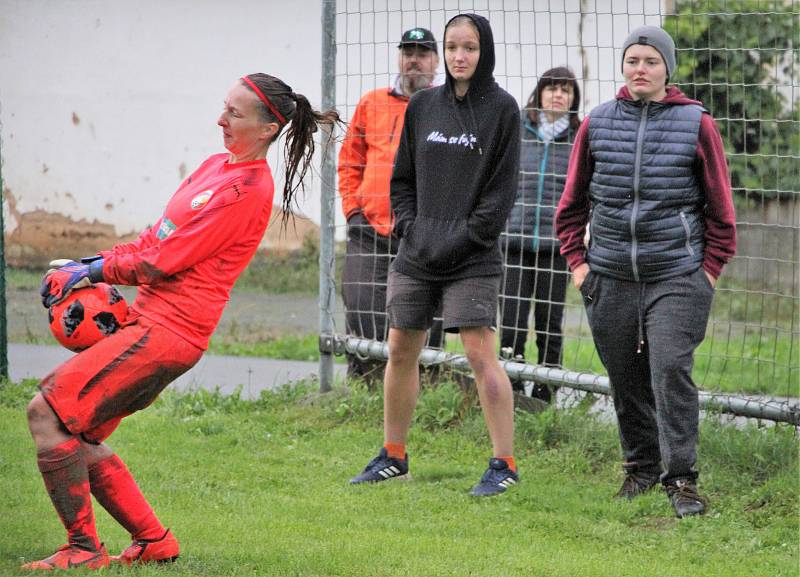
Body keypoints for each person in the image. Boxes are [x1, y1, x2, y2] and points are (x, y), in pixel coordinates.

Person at [25, 74, 340, 570]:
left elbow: (163, 261)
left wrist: (94, 271)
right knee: (79, 434)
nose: (220, 119)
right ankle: (154, 542)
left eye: (235, 114)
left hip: (168, 333)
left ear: (266, 129)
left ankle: (84, 550)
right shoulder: (217, 166)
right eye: (224, 107)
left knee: (48, 413)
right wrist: (84, 263)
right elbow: (154, 237)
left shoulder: (249, 191)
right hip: (145, 319)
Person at [555, 26, 736, 518]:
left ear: (667, 69)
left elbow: (721, 213)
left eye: (651, 61)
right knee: (625, 376)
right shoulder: (597, 122)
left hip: (677, 274)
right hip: (609, 276)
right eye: (633, 59)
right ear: (623, 67)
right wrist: (580, 268)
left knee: (670, 370)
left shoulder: (697, 124)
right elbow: (570, 209)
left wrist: (708, 273)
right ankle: (640, 468)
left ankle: (682, 480)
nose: (640, 68)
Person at [349, 13, 521, 496]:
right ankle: (394, 455)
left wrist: (465, 235)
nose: (459, 56)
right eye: (452, 47)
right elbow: (400, 180)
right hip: (418, 250)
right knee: (401, 347)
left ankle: (503, 464)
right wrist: (408, 227)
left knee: (478, 353)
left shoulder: (502, 109)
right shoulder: (423, 106)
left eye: (469, 47)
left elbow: (501, 191)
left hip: (473, 253)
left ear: (484, 50)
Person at [338, 27, 443, 386]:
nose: (414, 59)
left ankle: (426, 386)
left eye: (423, 53)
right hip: (371, 229)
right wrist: (354, 212)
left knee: (422, 316)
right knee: (362, 307)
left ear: (436, 62)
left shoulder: (446, 106)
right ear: (400, 58)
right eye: (408, 51)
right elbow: (350, 161)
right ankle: (364, 384)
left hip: (423, 234)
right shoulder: (372, 102)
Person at [499, 66, 581, 403]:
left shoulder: (579, 137)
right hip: (514, 241)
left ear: (574, 99)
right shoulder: (517, 128)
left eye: (566, 90)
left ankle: (545, 395)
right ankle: (512, 391)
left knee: (550, 323)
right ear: (540, 92)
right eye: (552, 88)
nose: (558, 95)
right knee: (513, 322)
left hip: (555, 246)